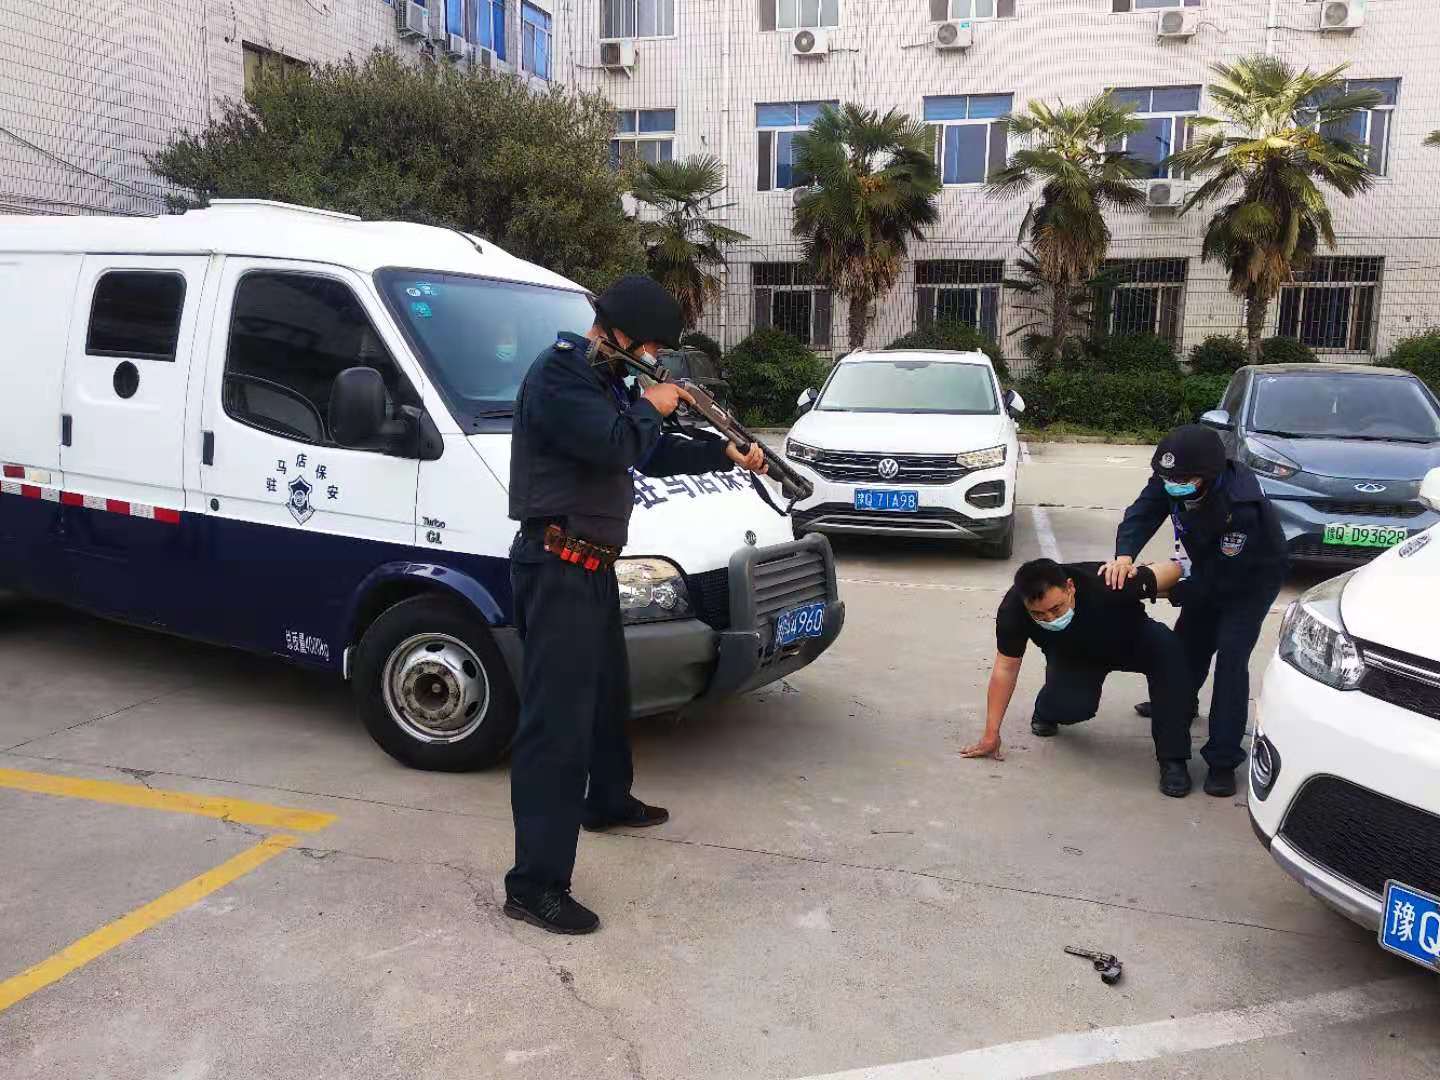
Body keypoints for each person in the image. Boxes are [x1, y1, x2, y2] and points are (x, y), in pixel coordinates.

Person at [504, 274, 767, 935]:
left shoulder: (605, 381)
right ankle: (534, 885)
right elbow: (615, 442)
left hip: (592, 568)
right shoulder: (560, 374)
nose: (652, 356)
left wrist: (724, 452)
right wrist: (654, 401)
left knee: (607, 697)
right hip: (555, 566)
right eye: (648, 345)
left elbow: (647, 453)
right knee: (556, 728)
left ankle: (607, 801)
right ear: (617, 331)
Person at [1100, 424, 1288, 798]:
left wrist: (1173, 589)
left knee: (1231, 658)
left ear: (1209, 475)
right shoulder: (1174, 476)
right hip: (1208, 568)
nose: (1173, 485)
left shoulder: (1240, 505)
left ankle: (1223, 760)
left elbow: (1225, 578)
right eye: (1168, 479)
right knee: (1186, 647)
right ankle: (1179, 707)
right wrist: (1124, 555)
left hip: (1250, 579)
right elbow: (1143, 512)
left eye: (1183, 481)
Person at [961, 557, 1198, 797]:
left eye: (1056, 608)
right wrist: (991, 733)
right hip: (1075, 657)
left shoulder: (1106, 580)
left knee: (1170, 651)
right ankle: (1046, 710)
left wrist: (1173, 565)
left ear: (1070, 587)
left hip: (1132, 640)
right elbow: (1006, 668)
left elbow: (1172, 569)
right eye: (1039, 615)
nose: (1051, 618)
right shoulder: (1013, 610)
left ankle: (1173, 759)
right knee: (1072, 708)